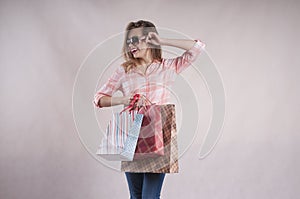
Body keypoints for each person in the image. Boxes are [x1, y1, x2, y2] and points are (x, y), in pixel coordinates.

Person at [94, 20, 205, 199]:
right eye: (129, 41)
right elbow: (99, 99)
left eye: (137, 39)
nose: (132, 45)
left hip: (159, 134)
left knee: (149, 196)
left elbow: (197, 48)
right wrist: (124, 99)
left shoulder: (167, 67)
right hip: (132, 133)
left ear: (149, 40)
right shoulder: (124, 71)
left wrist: (161, 41)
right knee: (135, 196)